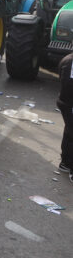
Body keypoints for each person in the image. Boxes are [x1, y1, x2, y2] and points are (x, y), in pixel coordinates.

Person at [57, 53, 73, 182]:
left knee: (69, 131)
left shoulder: (67, 59)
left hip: (66, 102)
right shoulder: (70, 62)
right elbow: (68, 85)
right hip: (69, 103)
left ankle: (65, 163)